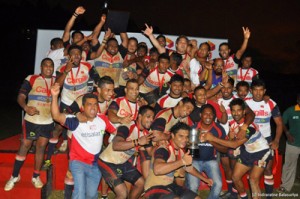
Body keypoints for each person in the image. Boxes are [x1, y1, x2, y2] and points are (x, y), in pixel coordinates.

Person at [50, 83, 116, 199]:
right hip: (78, 162)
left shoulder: (102, 119)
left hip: (95, 164)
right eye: (89, 104)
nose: (93, 107)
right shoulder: (76, 121)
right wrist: (55, 97)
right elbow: (56, 116)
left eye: (95, 104)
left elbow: (116, 132)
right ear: (83, 107)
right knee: (79, 194)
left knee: (91, 195)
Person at [201, 98, 272, 199]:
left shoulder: (248, 126)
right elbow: (231, 142)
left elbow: (234, 145)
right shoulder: (233, 125)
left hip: (261, 152)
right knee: (235, 177)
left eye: (239, 110)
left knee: (253, 180)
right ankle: (244, 197)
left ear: (244, 112)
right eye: (233, 110)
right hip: (248, 152)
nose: (236, 113)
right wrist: (230, 136)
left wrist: (212, 138)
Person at [5, 58, 55, 191]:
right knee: (25, 145)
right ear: (41, 67)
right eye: (46, 65)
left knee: (41, 147)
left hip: (48, 121)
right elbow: (20, 96)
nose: (49, 68)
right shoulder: (32, 78)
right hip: (31, 121)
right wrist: (26, 108)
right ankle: (15, 176)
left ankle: (35, 176)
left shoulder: (56, 81)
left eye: (51, 66)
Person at [99, 106, 163, 199]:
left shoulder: (146, 133)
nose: (151, 120)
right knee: (122, 194)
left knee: (141, 183)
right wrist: (137, 142)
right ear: (140, 116)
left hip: (121, 162)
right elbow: (116, 145)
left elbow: (150, 152)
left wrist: (159, 145)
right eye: (148, 117)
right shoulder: (128, 126)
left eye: (152, 118)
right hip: (107, 162)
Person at [144, 122, 213, 199]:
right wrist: (182, 161)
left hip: (170, 186)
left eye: (187, 137)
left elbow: (189, 168)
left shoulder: (180, 151)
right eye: (181, 136)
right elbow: (157, 170)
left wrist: (205, 179)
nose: (185, 140)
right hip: (154, 188)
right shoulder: (164, 149)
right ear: (173, 135)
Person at [245, 79, 283, 198]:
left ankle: (269, 196)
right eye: (255, 90)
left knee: (267, 169)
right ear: (251, 91)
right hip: (250, 140)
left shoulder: (271, 103)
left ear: (264, 91)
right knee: (250, 169)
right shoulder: (245, 102)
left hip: (267, 140)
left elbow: (280, 124)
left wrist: (276, 140)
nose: (258, 93)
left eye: (261, 90)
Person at [186, 104, 227, 199]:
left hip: (211, 160)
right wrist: (196, 140)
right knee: (192, 187)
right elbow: (190, 152)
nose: (208, 117)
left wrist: (210, 140)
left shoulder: (218, 129)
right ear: (200, 115)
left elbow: (224, 149)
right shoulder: (194, 128)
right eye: (205, 114)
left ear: (214, 116)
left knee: (218, 184)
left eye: (211, 114)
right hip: (195, 161)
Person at [278, 94, 300, 193]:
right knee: (289, 165)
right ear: (298, 100)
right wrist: (287, 133)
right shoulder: (290, 110)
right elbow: (281, 122)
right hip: (293, 142)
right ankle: (285, 186)